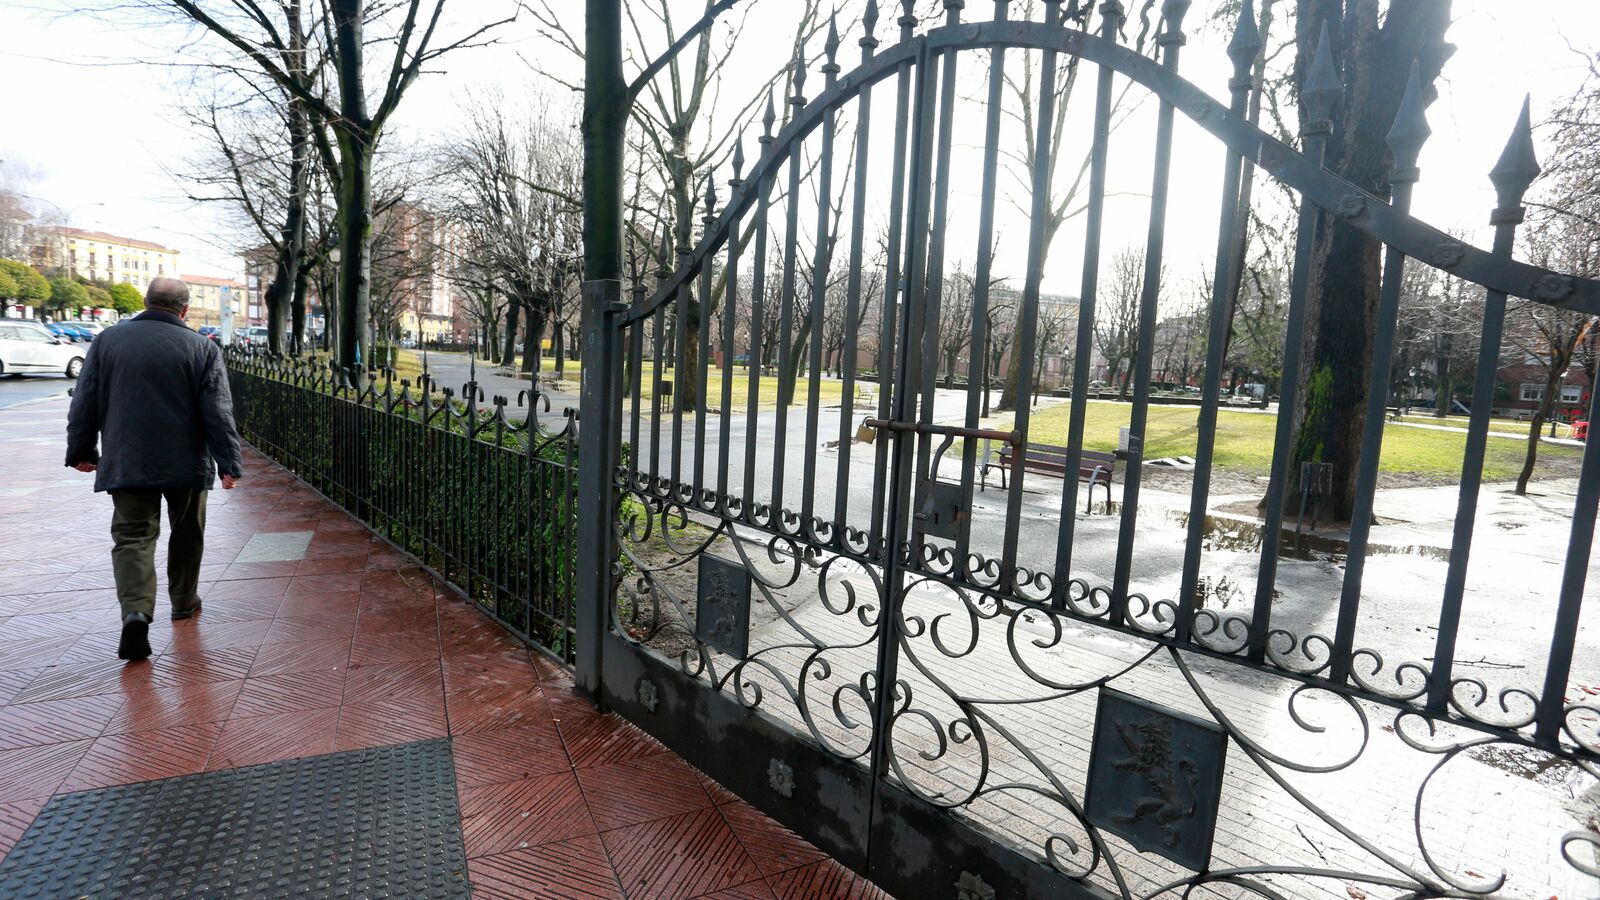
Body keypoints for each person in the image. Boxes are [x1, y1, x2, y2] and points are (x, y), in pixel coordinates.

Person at [65, 278, 244, 661]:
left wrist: (81, 450)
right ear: (185, 310)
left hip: (128, 457)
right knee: (187, 531)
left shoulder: (107, 341)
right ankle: (183, 601)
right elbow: (218, 412)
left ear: (145, 302)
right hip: (186, 460)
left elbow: (85, 401)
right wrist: (229, 462)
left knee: (132, 537)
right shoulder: (202, 347)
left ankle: (136, 612)